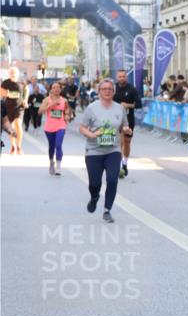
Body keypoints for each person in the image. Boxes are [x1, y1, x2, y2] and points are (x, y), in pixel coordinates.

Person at [79, 79, 131, 223]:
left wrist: (126, 130)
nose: (107, 91)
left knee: (112, 180)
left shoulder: (120, 108)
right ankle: (94, 197)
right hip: (94, 151)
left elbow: (124, 126)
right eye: (104, 89)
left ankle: (107, 210)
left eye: (110, 89)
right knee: (94, 184)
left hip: (113, 150)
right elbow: (82, 128)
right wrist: (92, 135)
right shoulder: (91, 108)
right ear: (99, 91)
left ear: (113, 92)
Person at [113, 69, 141, 178]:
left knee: (127, 142)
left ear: (126, 77)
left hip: (129, 119)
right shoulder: (113, 88)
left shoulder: (132, 89)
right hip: (116, 120)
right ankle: (119, 166)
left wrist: (127, 105)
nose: (122, 78)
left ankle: (125, 162)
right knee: (119, 143)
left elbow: (138, 104)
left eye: (123, 76)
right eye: (120, 76)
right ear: (117, 77)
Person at [40, 81, 71, 175]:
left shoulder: (64, 100)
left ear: (60, 89)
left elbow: (67, 110)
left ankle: (58, 167)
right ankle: (51, 162)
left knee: (58, 145)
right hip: (49, 127)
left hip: (61, 126)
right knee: (51, 147)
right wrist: (51, 105)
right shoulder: (46, 99)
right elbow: (40, 111)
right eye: (54, 87)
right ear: (51, 90)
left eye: (58, 87)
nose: (56, 89)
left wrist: (67, 115)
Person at [2, 68, 25, 154]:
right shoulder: (5, 82)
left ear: (17, 74)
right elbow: (1, 92)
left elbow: (26, 91)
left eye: (14, 72)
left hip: (19, 107)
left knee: (18, 125)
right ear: (9, 74)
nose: (13, 74)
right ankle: (13, 146)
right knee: (11, 127)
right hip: (8, 107)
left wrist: (25, 100)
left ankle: (19, 147)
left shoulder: (22, 82)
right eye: (11, 72)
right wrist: (6, 93)